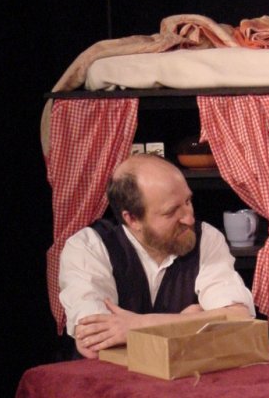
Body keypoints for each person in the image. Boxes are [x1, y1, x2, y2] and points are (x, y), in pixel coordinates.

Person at [59, 153, 255, 359]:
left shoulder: (207, 238)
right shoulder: (88, 247)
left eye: (188, 201)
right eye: (171, 212)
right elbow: (94, 344)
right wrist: (193, 321)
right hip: (110, 377)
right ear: (132, 219)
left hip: (186, 375)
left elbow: (239, 320)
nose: (189, 219)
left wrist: (138, 325)